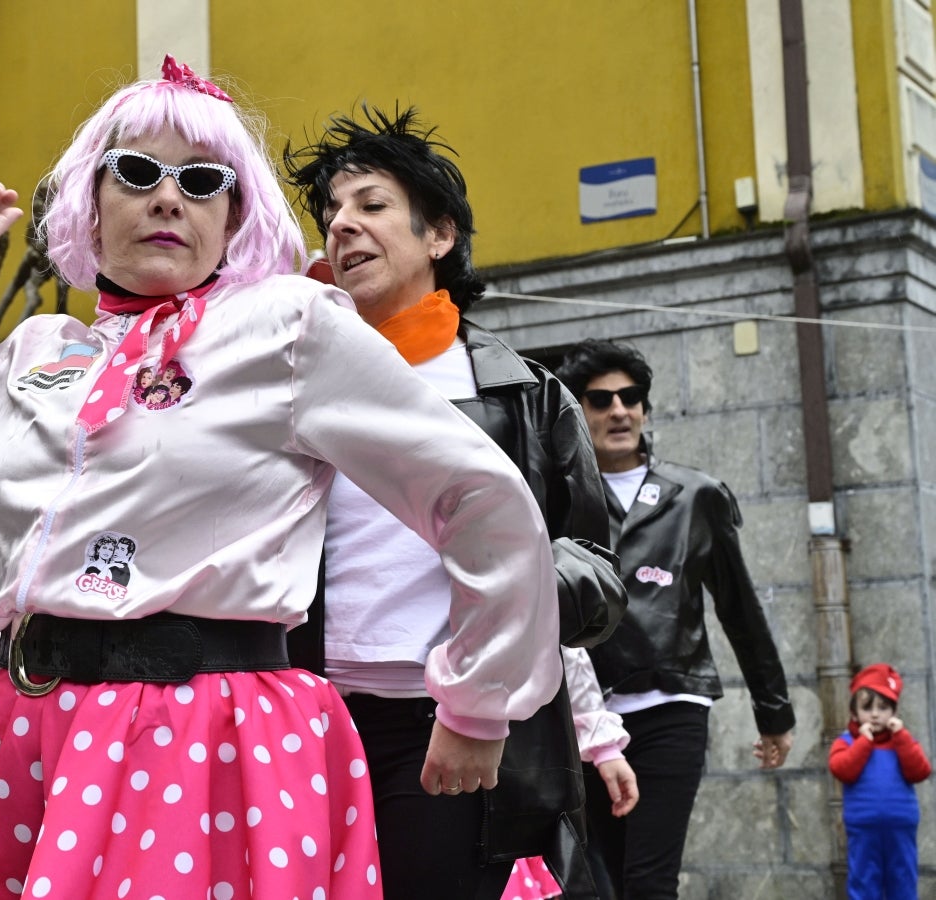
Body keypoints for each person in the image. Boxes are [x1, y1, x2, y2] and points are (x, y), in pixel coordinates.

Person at [0, 55, 559, 899]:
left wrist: (479, 699)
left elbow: (478, 494)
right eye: (137, 172)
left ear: (236, 215)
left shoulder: (288, 328)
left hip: (211, 733)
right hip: (23, 726)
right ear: (92, 198)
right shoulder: (37, 354)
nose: (169, 197)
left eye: (203, 181)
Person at [285, 105, 628, 899]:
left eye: (370, 205)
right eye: (332, 212)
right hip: (301, 715)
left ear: (439, 235)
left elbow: (599, 575)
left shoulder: (522, 394)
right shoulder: (291, 381)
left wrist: (507, 618)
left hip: (448, 727)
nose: (343, 226)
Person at [556, 338, 797, 899]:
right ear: (578, 410)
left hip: (670, 705)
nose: (619, 410)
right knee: (594, 877)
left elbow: (741, 609)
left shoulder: (697, 496)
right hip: (583, 717)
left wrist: (774, 711)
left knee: (650, 878)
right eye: (601, 399)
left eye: (631, 396)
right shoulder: (559, 497)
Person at [829, 663, 931, 900]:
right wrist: (865, 742)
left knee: (903, 878)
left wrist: (902, 737)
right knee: (864, 880)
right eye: (867, 708)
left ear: (894, 712)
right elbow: (842, 770)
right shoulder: (847, 742)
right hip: (863, 827)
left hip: (900, 826)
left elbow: (920, 771)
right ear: (854, 713)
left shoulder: (902, 741)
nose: (875, 714)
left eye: (883, 708)